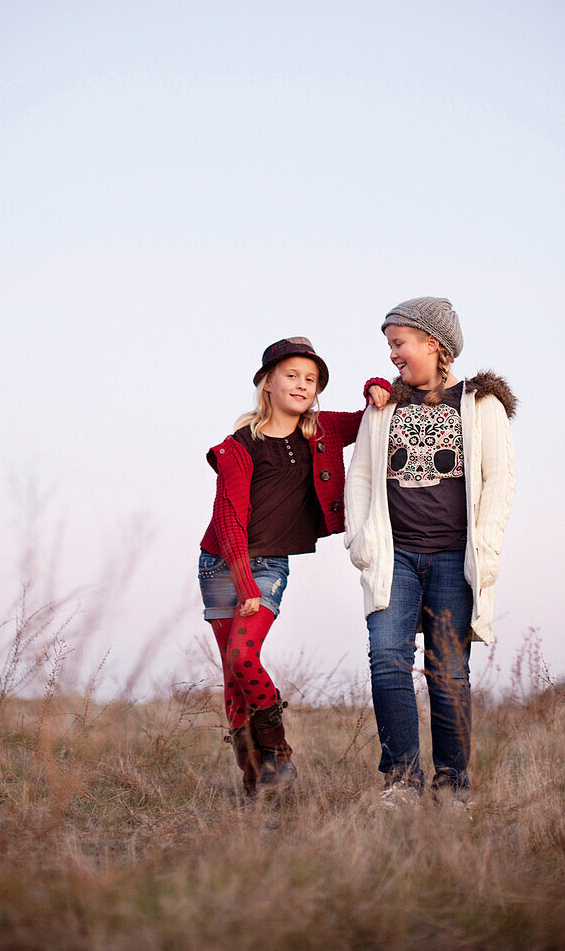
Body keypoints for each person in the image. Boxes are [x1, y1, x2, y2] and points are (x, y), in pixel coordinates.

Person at [199, 337, 390, 799]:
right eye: (292, 375)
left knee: (243, 657)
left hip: (268, 567)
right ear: (267, 382)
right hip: (221, 563)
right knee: (233, 675)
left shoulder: (320, 432)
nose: (302, 385)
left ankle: (279, 755)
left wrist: (377, 385)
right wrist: (242, 581)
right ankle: (255, 786)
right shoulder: (239, 446)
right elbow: (229, 517)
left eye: (311, 379)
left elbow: (370, 418)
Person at [344, 297, 516, 804]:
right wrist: (361, 543)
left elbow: (500, 480)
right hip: (394, 559)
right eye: (389, 345)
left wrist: (485, 547)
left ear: (432, 344)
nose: (392, 354)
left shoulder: (480, 404)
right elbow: (362, 476)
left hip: (452, 560)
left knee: (448, 670)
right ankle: (400, 784)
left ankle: (452, 787)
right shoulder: (384, 408)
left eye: (399, 343)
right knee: (387, 660)